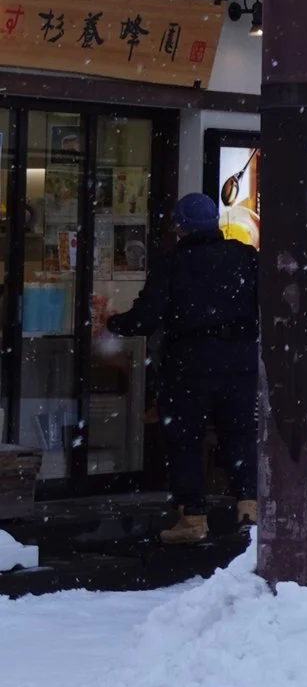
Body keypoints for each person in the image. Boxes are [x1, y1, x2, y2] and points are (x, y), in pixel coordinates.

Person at [107, 191, 258, 545]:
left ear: (181, 227)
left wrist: (113, 324)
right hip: (241, 366)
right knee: (240, 437)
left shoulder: (172, 263)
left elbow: (146, 318)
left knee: (186, 443)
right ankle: (249, 510)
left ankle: (192, 519)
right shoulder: (246, 258)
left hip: (189, 368)